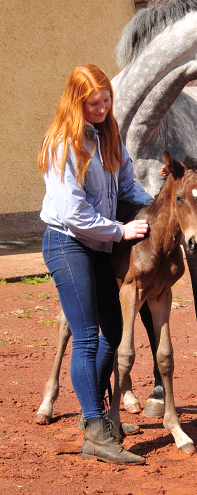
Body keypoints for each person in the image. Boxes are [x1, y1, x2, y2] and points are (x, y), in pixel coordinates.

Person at [37, 64, 153, 464]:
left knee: (115, 329)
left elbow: (128, 186)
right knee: (86, 335)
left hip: (98, 245)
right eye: (93, 103)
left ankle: (100, 417)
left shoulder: (109, 135)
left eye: (106, 100)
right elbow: (72, 212)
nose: (102, 108)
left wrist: (153, 208)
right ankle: (94, 430)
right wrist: (122, 232)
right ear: (76, 101)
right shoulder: (62, 142)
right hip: (67, 244)